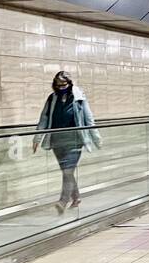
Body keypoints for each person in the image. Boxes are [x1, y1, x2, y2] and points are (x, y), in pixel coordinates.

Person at [33, 70, 101, 213]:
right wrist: (37, 138)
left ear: (69, 83)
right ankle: (76, 197)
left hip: (75, 140)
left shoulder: (79, 97)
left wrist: (96, 139)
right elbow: (44, 118)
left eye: (64, 84)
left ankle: (63, 202)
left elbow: (89, 118)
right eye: (58, 85)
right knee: (67, 171)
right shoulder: (52, 98)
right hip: (57, 141)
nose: (61, 87)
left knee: (68, 170)